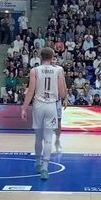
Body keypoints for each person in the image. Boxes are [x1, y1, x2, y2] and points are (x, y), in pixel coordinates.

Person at [21, 48, 67, 180]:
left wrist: (24, 108)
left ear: (40, 56)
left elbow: (31, 91)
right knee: (48, 138)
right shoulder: (58, 70)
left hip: (38, 105)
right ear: (52, 57)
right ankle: (45, 168)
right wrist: (64, 98)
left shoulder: (35, 70)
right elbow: (62, 92)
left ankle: (37, 162)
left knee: (38, 137)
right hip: (51, 105)